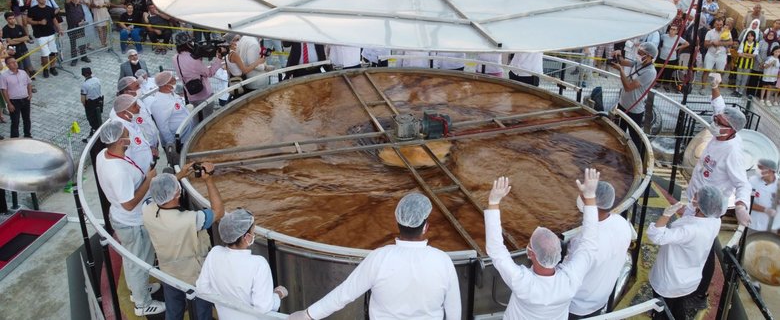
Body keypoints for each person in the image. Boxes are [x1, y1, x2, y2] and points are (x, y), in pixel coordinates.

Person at [288, 192, 461, 320]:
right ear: (425, 227)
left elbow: (344, 294)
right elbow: (454, 313)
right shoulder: (442, 261)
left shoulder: (380, 258)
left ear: (397, 222)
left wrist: (308, 315)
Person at [483, 169, 599, 320]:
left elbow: (496, 250)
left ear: (531, 253)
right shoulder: (570, 281)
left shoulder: (524, 283)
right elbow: (589, 243)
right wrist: (590, 197)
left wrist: (493, 202)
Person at [685, 72, 751, 310]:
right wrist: (715, 87)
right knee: (691, 244)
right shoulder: (721, 132)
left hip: (707, 209)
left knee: (704, 250)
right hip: (694, 197)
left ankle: (700, 292)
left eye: (719, 123)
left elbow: (743, 183)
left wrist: (741, 206)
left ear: (731, 130)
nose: (714, 124)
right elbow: (719, 106)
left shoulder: (733, 152)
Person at [95, 120, 165, 317]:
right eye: (127, 135)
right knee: (138, 261)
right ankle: (142, 304)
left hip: (123, 218)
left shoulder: (104, 155)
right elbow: (129, 203)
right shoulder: (118, 172)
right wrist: (149, 180)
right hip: (132, 221)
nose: (130, 138)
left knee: (132, 259)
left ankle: (138, 290)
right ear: (120, 142)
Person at [143, 167, 224, 320]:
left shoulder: (148, 210)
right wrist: (209, 180)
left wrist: (179, 175)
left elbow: (163, 191)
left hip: (168, 271)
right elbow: (218, 211)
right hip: (194, 276)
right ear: (177, 194)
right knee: (202, 311)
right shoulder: (189, 221)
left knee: (173, 310)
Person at [648, 186, 724, 320]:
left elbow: (657, 236)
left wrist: (666, 215)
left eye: (696, 197)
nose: (693, 198)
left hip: (669, 281)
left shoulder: (690, 230)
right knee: (677, 308)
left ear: (701, 206)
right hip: (688, 280)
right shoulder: (715, 222)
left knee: (662, 313)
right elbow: (694, 217)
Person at [197, 209, 289, 319]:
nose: (253, 235)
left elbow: (202, 288)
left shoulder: (214, 253)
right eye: (253, 232)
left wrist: (226, 298)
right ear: (247, 237)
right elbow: (263, 307)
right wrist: (278, 294)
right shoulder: (259, 264)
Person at [568, 181, 633, 319]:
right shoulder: (622, 223)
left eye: (584, 196)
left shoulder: (583, 241)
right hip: (601, 298)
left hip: (576, 305)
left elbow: (569, 272)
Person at [610, 42, 658, 156]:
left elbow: (628, 87)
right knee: (617, 131)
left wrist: (621, 70)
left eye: (641, 53)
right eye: (638, 52)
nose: (638, 54)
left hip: (634, 110)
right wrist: (618, 55)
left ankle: (639, 161)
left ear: (650, 56)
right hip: (622, 104)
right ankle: (616, 153)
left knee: (635, 138)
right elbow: (623, 62)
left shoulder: (650, 72)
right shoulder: (639, 63)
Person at [173, 33, 222, 120]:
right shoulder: (194, 60)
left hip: (190, 94)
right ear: (188, 44)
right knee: (208, 119)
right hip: (204, 95)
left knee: (198, 118)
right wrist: (218, 59)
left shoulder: (175, 58)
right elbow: (209, 73)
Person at [148, 71, 193, 155]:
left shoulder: (172, 94)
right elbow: (163, 128)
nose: (175, 82)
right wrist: (173, 145)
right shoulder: (158, 104)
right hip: (179, 141)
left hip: (186, 134)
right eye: (173, 81)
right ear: (165, 85)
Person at [110, 94, 156, 172]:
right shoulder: (121, 133)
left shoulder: (130, 121)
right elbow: (126, 160)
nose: (139, 107)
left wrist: (150, 149)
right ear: (124, 113)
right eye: (135, 106)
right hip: (142, 176)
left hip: (148, 169)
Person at [27, 0, 63, 78]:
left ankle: (52, 67)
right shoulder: (33, 9)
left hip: (51, 33)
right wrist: (39, 22)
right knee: (44, 54)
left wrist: (59, 29)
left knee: (53, 52)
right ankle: (45, 69)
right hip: (40, 35)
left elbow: (54, 20)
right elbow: (28, 21)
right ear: (37, 0)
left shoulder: (50, 9)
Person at [0, 57, 33, 138]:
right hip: (14, 102)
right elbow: (4, 91)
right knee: (15, 121)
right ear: (7, 65)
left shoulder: (23, 72)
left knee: (27, 119)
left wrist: (30, 94)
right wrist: (9, 104)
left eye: (15, 61)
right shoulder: (4, 76)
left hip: (25, 100)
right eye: (12, 62)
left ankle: (27, 135)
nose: (15, 63)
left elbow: (29, 83)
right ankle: (14, 139)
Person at [748, 158, 779, 232]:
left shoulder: (778, 183)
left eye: (760, 168)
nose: (758, 170)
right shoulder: (752, 181)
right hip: (753, 224)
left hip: (773, 226)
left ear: (770, 171)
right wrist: (766, 210)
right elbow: (747, 202)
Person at [2, 12, 35, 78]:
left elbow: (27, 37)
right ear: (6, 20)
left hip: (24, 49)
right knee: (20, 68)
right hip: (14, 53)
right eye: (10, 19)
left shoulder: (19, 27)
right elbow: (10, 42)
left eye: (13, 18)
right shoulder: (5, 29)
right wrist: (21, 39)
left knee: (27, 66)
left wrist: (15, 39)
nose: (12, 20)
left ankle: (28, 80)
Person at [80, 67, 103, 142]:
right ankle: (97, 132)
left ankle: (94, 137)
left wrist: (85, 106)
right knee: (98, 118)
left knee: (92, 120)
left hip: (91, 104)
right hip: (99, 101)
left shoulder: (85, 85)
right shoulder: (97, 79)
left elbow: (83, 99)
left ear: (83, 75)